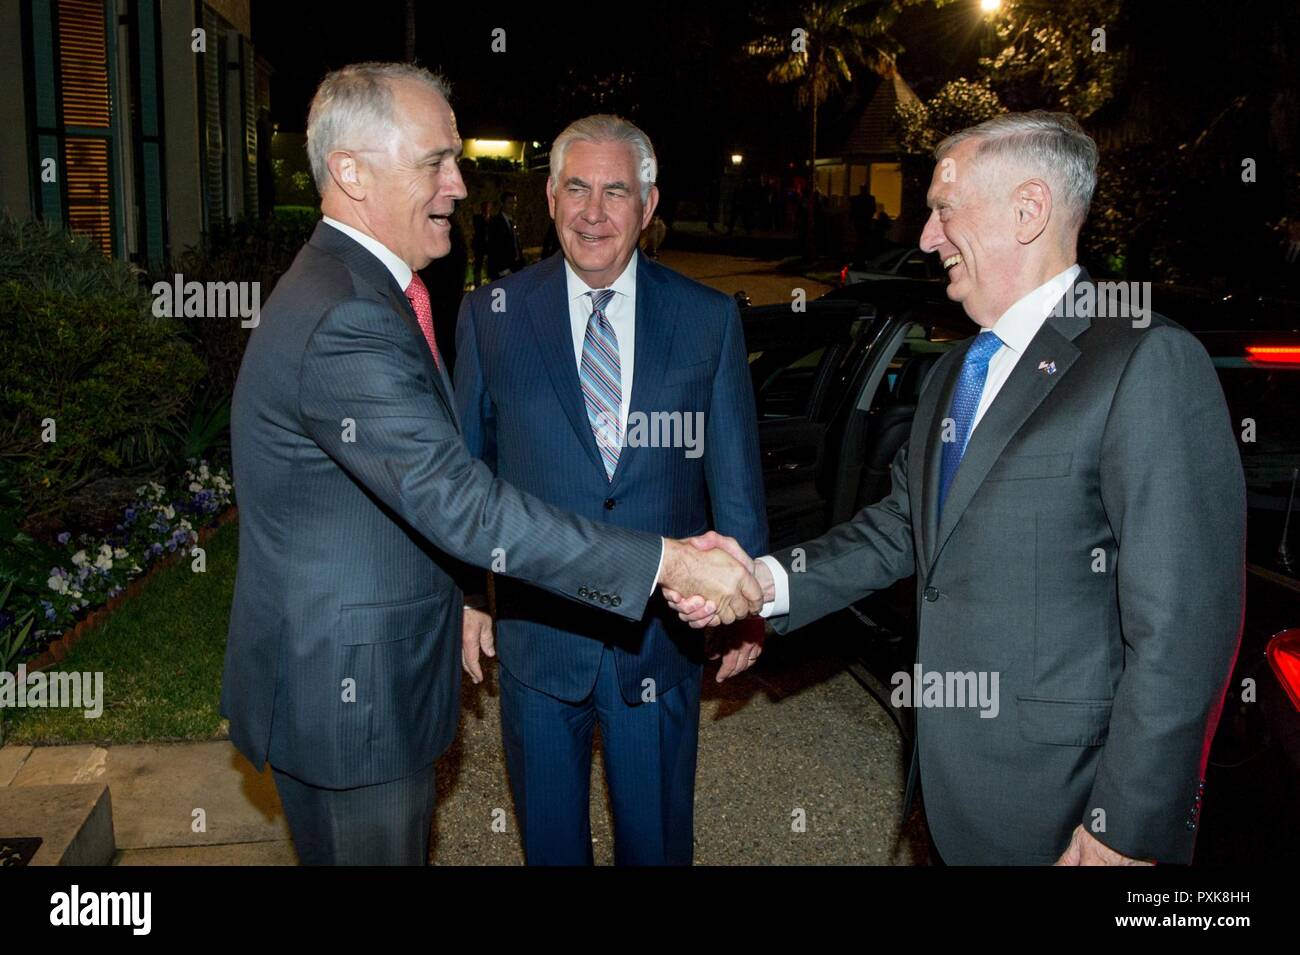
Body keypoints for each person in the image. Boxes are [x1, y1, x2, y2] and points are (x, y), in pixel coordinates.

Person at [667, 111, 1247, 866]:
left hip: (1069, 808)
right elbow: (904, 527)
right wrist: (763, 581)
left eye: (944, 210)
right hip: (954, 791)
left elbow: (1183, 626)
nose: (927, 238)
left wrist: (1126, 825)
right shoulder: (956, 371)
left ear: (1028, 210)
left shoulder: (1144, 361)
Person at [221, 62, 762, 866]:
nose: (461, 186)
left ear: (648, 206)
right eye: (437, 161)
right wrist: (667, 560)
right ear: (351, 172)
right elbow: (461, 495)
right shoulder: (351, 316)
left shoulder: (361, 292)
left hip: (602, 662)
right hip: (356, 704)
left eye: (456, 159)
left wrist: (739, 592)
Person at [455, 115, 768, 866]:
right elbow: (465, 478)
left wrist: (746, 601)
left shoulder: (706, 318)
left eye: (616, 191)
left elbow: (735, 475)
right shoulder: (490, 316)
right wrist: (469, 595)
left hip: (659, 644)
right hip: (538, 639)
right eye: (577, 188)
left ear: (648, 206)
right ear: (552, 199)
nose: (594, 211)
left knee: (657, 846)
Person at [486, 190, 524, 279]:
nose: (513, 206)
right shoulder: (496, 222)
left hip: (515, 267)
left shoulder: (512, 221)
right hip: (503, 270)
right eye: (510, 203)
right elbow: (495, 247)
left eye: (514, 203)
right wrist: (504, 269)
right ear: (503, 204)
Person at [470, 200, 490, 287]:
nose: (486, 209)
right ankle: (478, 283)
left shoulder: (491, 219)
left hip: (488, 245)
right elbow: (477, 229)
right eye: (485, 207)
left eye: (488, 207)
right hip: (480, 245)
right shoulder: (477, 218)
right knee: (478, 264)